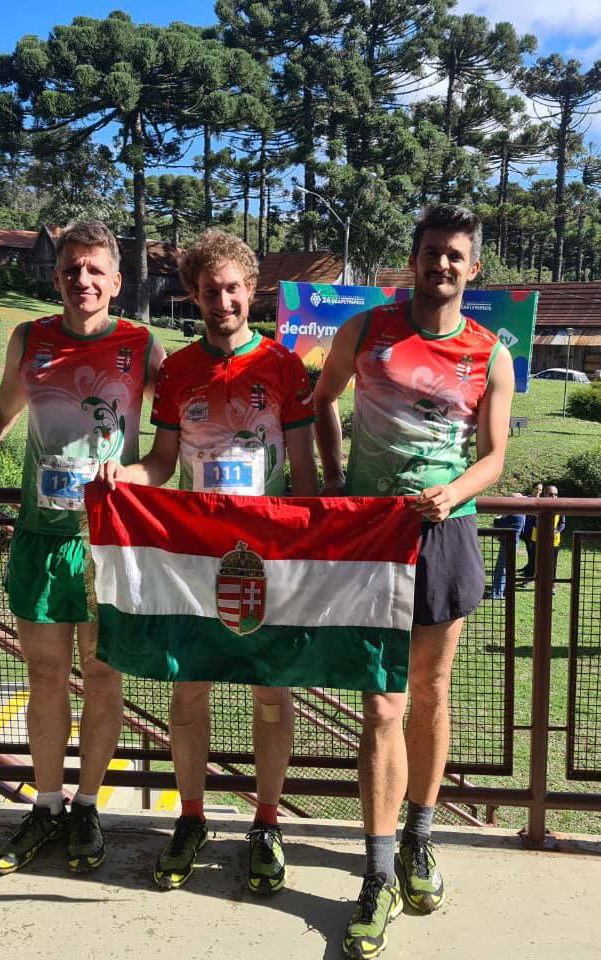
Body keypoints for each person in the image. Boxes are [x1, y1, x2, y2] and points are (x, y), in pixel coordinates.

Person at [0, 220, 165, 875]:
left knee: (102, 678)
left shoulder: (142, 345)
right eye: (72, 269)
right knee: (46, 677)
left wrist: (135, 475)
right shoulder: (31, 338)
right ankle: (45, 805)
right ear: (57, 278)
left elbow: (173, 437)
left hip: (109, 542)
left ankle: (87, 807)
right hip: (41, 538)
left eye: (95, 270)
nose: (83, 280)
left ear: (116, 281)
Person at [313, 204, 514, 959]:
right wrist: (335, 479)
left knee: (429, 691)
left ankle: (419, 838)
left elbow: (494, 458)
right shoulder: (366, 329)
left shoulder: (490, 353)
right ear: (414, 258)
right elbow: (321, 400)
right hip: (371, 536)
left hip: (444, 533)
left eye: (455, 255)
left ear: (473, 268)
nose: (442, 264)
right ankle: (376, 870)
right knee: (381, 703)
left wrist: (453, 492)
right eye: (432, 252)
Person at [101, 229, 318, 895]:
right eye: (209, 291)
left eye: (232, 289)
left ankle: (266, 822)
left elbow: (304, 472)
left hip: (266, 557)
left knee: (271, 693)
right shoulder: (176, 372)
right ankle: (191, 817)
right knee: (188, 688)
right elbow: (162, 463)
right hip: (194, 559)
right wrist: (123, 476)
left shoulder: (283, 366)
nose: (222, 301)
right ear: (193, 296)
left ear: (251, 291)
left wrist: (307, 550)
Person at [489, 493, 526, 600]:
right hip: (509, 543)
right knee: (503, 568)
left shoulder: (515, 515)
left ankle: (497, 593)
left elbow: (498, 528)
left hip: (509, 544)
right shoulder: (516, 513)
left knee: (502, 568)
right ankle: (500, 591)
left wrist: (498, 517)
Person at [532, 484, 565, 585]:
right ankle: (538, 582)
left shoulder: (561, 507)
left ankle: (552, 584)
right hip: (539, 539)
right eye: (551, 494)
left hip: (554, 540)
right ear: (545, 494)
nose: (554, 497)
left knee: (553, 563)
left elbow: (562, 523)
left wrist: (557, 531)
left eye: (556, 494)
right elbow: (533, 521)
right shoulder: (538, 505)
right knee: (538, 562)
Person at [520, 481, 543, 580]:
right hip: (525, 530)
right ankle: (528, 567)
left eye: (540, 490)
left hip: (535, 532)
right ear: (532, 489)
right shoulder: (526, 499)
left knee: (532, 551)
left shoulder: (542, 501)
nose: (538, 491)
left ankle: (529, 571)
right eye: (537, 488)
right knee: (529, 550)